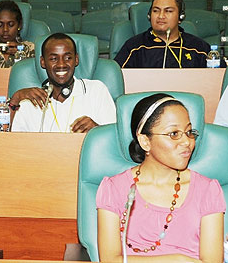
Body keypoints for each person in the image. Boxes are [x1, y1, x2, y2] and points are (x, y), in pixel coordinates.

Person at [96, 93, 225, 262]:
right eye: (174, 134)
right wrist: (179, 260)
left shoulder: (208, 190)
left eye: (189, 132)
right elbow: (110, 260)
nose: (187, 142)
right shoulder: (113, 189)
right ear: (145, 142)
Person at [11, 33, 116, 133]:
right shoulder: (28, 101)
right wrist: (16, 98)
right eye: (53, 59)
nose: (61, 64)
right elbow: (7, 142)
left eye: (68, 58)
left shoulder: (96, 90)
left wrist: (96, 130)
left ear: (76, 60)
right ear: (43, 62)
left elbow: (115, 139)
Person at [114, 0, 211, 68]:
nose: (161, 16)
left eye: (168, 11)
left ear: (180, 17)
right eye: (156, 11)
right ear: (149, 16)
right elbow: (115, 78)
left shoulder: (199, 48)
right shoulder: (134, 47)